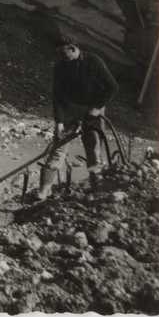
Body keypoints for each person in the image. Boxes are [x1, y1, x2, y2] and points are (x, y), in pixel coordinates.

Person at [38, 35, 119, 200]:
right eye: (58, 54)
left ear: (73, 48)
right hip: (70, 111)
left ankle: (97, 188)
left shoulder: (93, 61)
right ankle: (44, 190)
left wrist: (97, 107)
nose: (61, 57)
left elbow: (112, 87)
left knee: (93, 150)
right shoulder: (60, 66)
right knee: (58, 149)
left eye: (63, 53)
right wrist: (59, 121)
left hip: (92, 110)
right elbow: (57, 96)